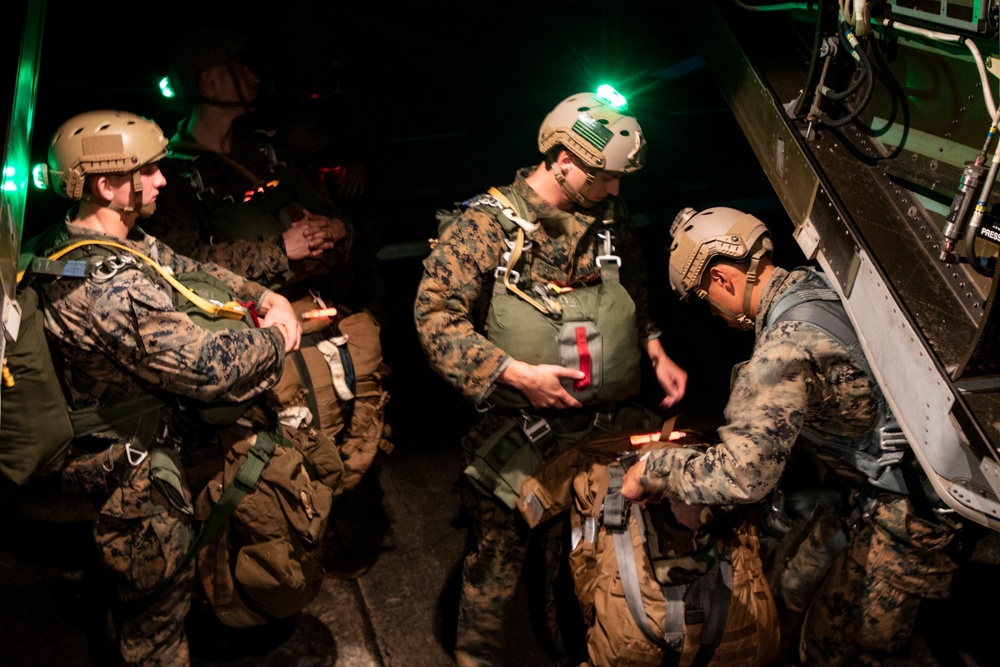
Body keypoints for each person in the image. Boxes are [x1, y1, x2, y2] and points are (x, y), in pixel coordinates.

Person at [620, 206, 966, 666]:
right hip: (870, 487)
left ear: (724, 279)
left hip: (909, 515)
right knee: (789, 587)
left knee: (831, 649)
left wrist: (655, 470)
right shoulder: (816, 285)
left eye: (705, 296)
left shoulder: (783, 349)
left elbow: (744, 474)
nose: (712, 309)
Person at [414, 87, 688, 666]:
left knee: (599, 552)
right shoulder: (483, 227)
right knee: (497, 559)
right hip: (519, 431)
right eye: (602, 176)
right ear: (562, 159)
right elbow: (434, 317)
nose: (614, 190)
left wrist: (655, 347)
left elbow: (632, 279)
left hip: (604, 424)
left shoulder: (606, 213)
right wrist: (513, 372)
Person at [27, 109, 302, 666]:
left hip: (136, 455)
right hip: (134, 487)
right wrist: (275, 340)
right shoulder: (107, 289)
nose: (161, 181)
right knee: (155, 631)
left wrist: (261, 295)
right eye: (147, 171)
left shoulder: (95, 242)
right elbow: (211, 368)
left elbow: (183, 267)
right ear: (107, 184)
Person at [144, 26, 393, 518]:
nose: (255, 78)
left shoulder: (268, 152)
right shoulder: (170, 175)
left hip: (324, 326)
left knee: (357, 441)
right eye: (241, 70)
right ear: (211, 81)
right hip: (254, 342)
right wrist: (280, 250)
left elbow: (331, 216)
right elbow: (182, 268)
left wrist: (333, 231)